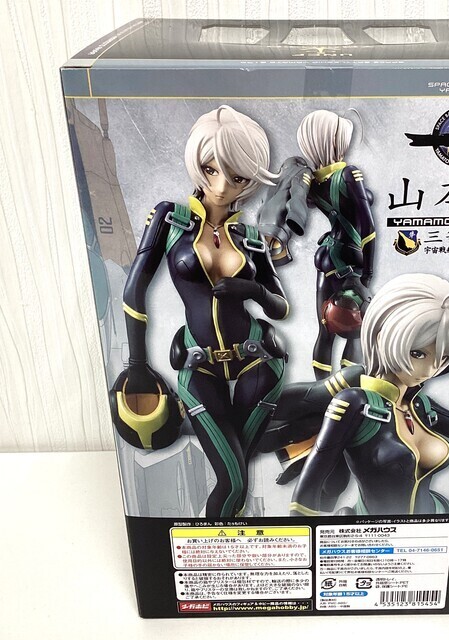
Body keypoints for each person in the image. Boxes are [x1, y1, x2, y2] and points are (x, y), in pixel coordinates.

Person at [113, 105, 289, 518]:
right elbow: (134, 291)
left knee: (237, 476)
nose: (222, 186)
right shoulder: (170, 220)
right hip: (198, 363)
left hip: (257, 362)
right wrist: (137, 363)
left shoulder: (251, 237)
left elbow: (280, 307)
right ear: (197, 164)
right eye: (211, 170)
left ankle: (224, 547)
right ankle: (213, 549)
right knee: (234, 481)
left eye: (238, 177)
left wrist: (252, 289)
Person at [287, 273, 449, 516]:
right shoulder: (355, 404)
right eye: (418, 353)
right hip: (372, 531)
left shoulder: (421, 406)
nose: (429, 371)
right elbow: (306, 493)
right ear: (383, 336)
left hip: (437, 519)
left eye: (443, 358)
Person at [258, 109, 376, 378]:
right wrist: (367, 274)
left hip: (327, 258)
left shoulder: (312, 182)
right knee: (356, 332)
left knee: (326, 330)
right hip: (351, 259)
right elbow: (368, 228)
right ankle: (346, 389)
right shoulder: (349, 174)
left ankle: (321, 390)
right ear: (335, 140)